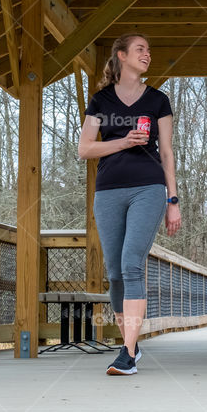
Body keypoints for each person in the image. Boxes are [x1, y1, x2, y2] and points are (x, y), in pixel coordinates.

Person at [78, 33, 181, 375]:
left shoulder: (158, 100)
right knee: (114, 273)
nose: (147, 55)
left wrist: (173, 199)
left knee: (131, 264)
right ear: (121, 56)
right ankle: (131, 349)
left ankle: (126, 353)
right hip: (108, 190)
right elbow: (85, 149)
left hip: (148, 188)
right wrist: (123, 141)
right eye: (140, 50)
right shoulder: (100, 100)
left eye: (149, 50)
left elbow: (166, 153)